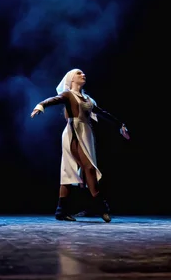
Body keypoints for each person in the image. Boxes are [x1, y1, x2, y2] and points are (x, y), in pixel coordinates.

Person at [30, 68, 130, 223]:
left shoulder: (87, 99)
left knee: (71, 173)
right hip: (74, 133)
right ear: (71, 79)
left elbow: (101, 112)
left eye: (83, 73)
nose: (83, 74)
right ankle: (101, 207)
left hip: (87, 134)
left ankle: (61, 210)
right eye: (78, 73)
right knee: (88, 168)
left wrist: (119, 125)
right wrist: (40, 105)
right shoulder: (68, 94)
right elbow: (54, 99)